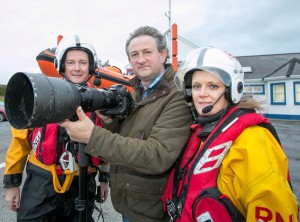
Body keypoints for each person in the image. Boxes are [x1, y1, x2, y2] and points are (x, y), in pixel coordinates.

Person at [59, 26, 193, 222]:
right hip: (131, 205)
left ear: (163, 54)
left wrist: (92, 136)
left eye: (147, 52)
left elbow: (157, 155)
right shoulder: (138, 93)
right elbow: (128, 140)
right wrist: (110, 122)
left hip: (154, 211)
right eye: (134, 54)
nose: (140, 59)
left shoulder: (177, 97)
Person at [161, 46, 299, 221]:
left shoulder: (252, 139)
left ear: (233, 90)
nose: (201, 94)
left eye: (212, 86)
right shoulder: (204, 131)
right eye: (196, 86)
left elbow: (273, 206)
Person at [3, 35, 110, 222]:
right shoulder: (42, 95)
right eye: (71, 62)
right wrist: (12, 184)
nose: (77, 68)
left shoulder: (101, 102)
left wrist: (104, 179)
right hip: (42, 181)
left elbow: (107, 142)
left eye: (83, 62)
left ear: (91, 66)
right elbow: (20, 142)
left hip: (83, 182)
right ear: (62, 65)